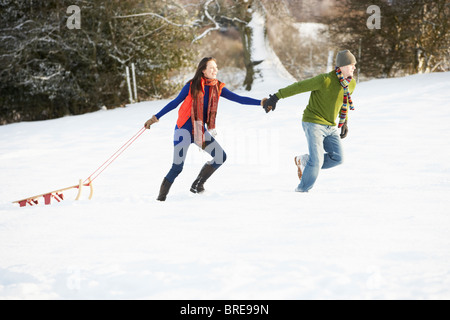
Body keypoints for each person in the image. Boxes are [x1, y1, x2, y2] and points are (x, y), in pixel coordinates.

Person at [144, 57, 264, 201]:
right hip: (183, 131)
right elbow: (175, 103)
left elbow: (238, 99)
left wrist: (261, 103)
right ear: (203, 70)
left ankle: (197, 185)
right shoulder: (191, 86)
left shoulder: (217, 87)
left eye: (216, 67)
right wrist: (155, 118)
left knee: (220, 156)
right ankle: (161, 199)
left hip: (199, 131)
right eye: (211, 68)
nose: (215, 70)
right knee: (177, 168)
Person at [263, 50, 357, 192]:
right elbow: (299, 87)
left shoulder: (351, 84)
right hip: (313, 122)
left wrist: (345, 122)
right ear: (342, 66)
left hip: (330, 126)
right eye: (351, 65)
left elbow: (344, 102)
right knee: (317, 160)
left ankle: (305, 161)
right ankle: (302, 191)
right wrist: (276, 97)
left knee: (338, 158)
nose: (354, 68)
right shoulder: (325, 80)